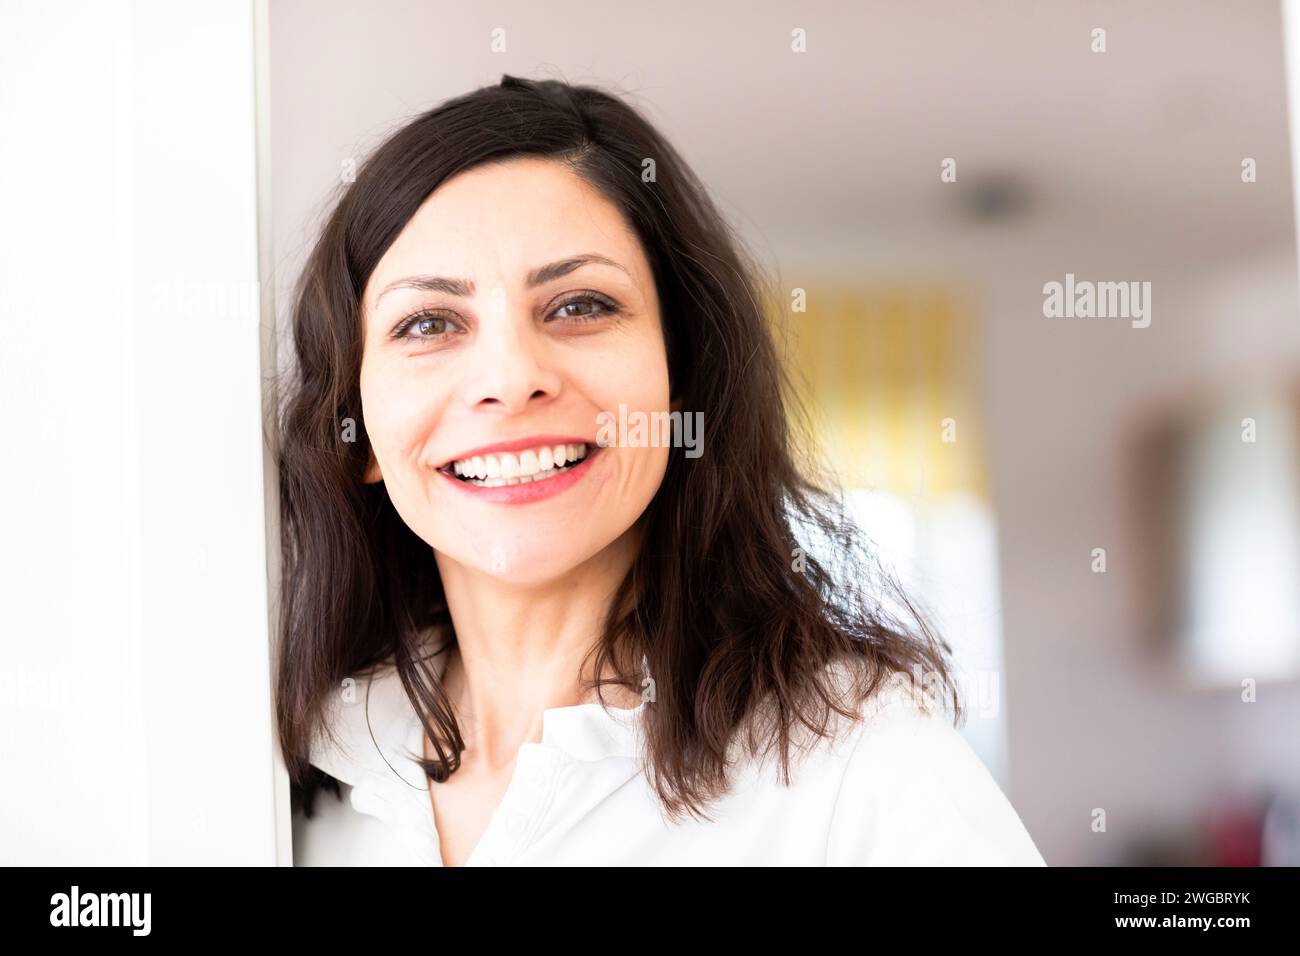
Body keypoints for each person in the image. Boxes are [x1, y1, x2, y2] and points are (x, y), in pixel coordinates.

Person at [274, 73, 1046, 867]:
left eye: (579, 306)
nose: (510, 377)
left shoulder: (865, 767)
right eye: (429, 322)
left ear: (685, 383)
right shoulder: (296, 775)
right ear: (359, 431)